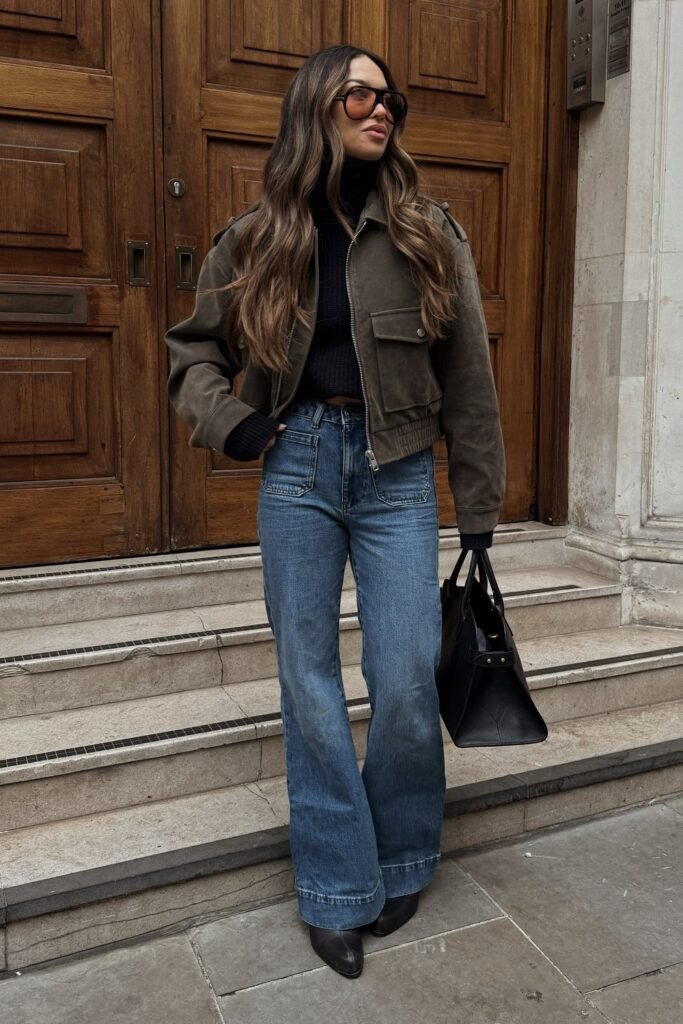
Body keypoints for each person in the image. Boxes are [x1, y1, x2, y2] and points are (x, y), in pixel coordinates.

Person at [165, 44, 506, 980]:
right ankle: (334, 887)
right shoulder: (256, 237)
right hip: (300, 467)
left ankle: (399, 857)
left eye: (387, 94)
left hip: (397, 474)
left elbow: (467, 378)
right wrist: (232, 424)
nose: (379, 107)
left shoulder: (426, 230)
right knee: (307, 683)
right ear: (317, 106)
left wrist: (476, 506)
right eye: (358, 92)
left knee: (400, 678)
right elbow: (191, 355)